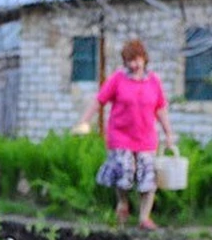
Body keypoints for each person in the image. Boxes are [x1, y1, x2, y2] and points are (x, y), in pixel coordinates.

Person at [74, 38, 175, 230]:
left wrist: (169, 133)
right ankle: (122, 202)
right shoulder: (118, 79)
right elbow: (99, 101)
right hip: (120, 135)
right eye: (130, 61)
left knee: (148, 178)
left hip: (146, 137)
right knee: (124, 171)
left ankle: (144, 218)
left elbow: (160, 109)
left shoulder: (153, 81)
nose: (134, 65)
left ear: (145, 59)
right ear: (125, 62)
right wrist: (84, 121)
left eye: (137, 60)